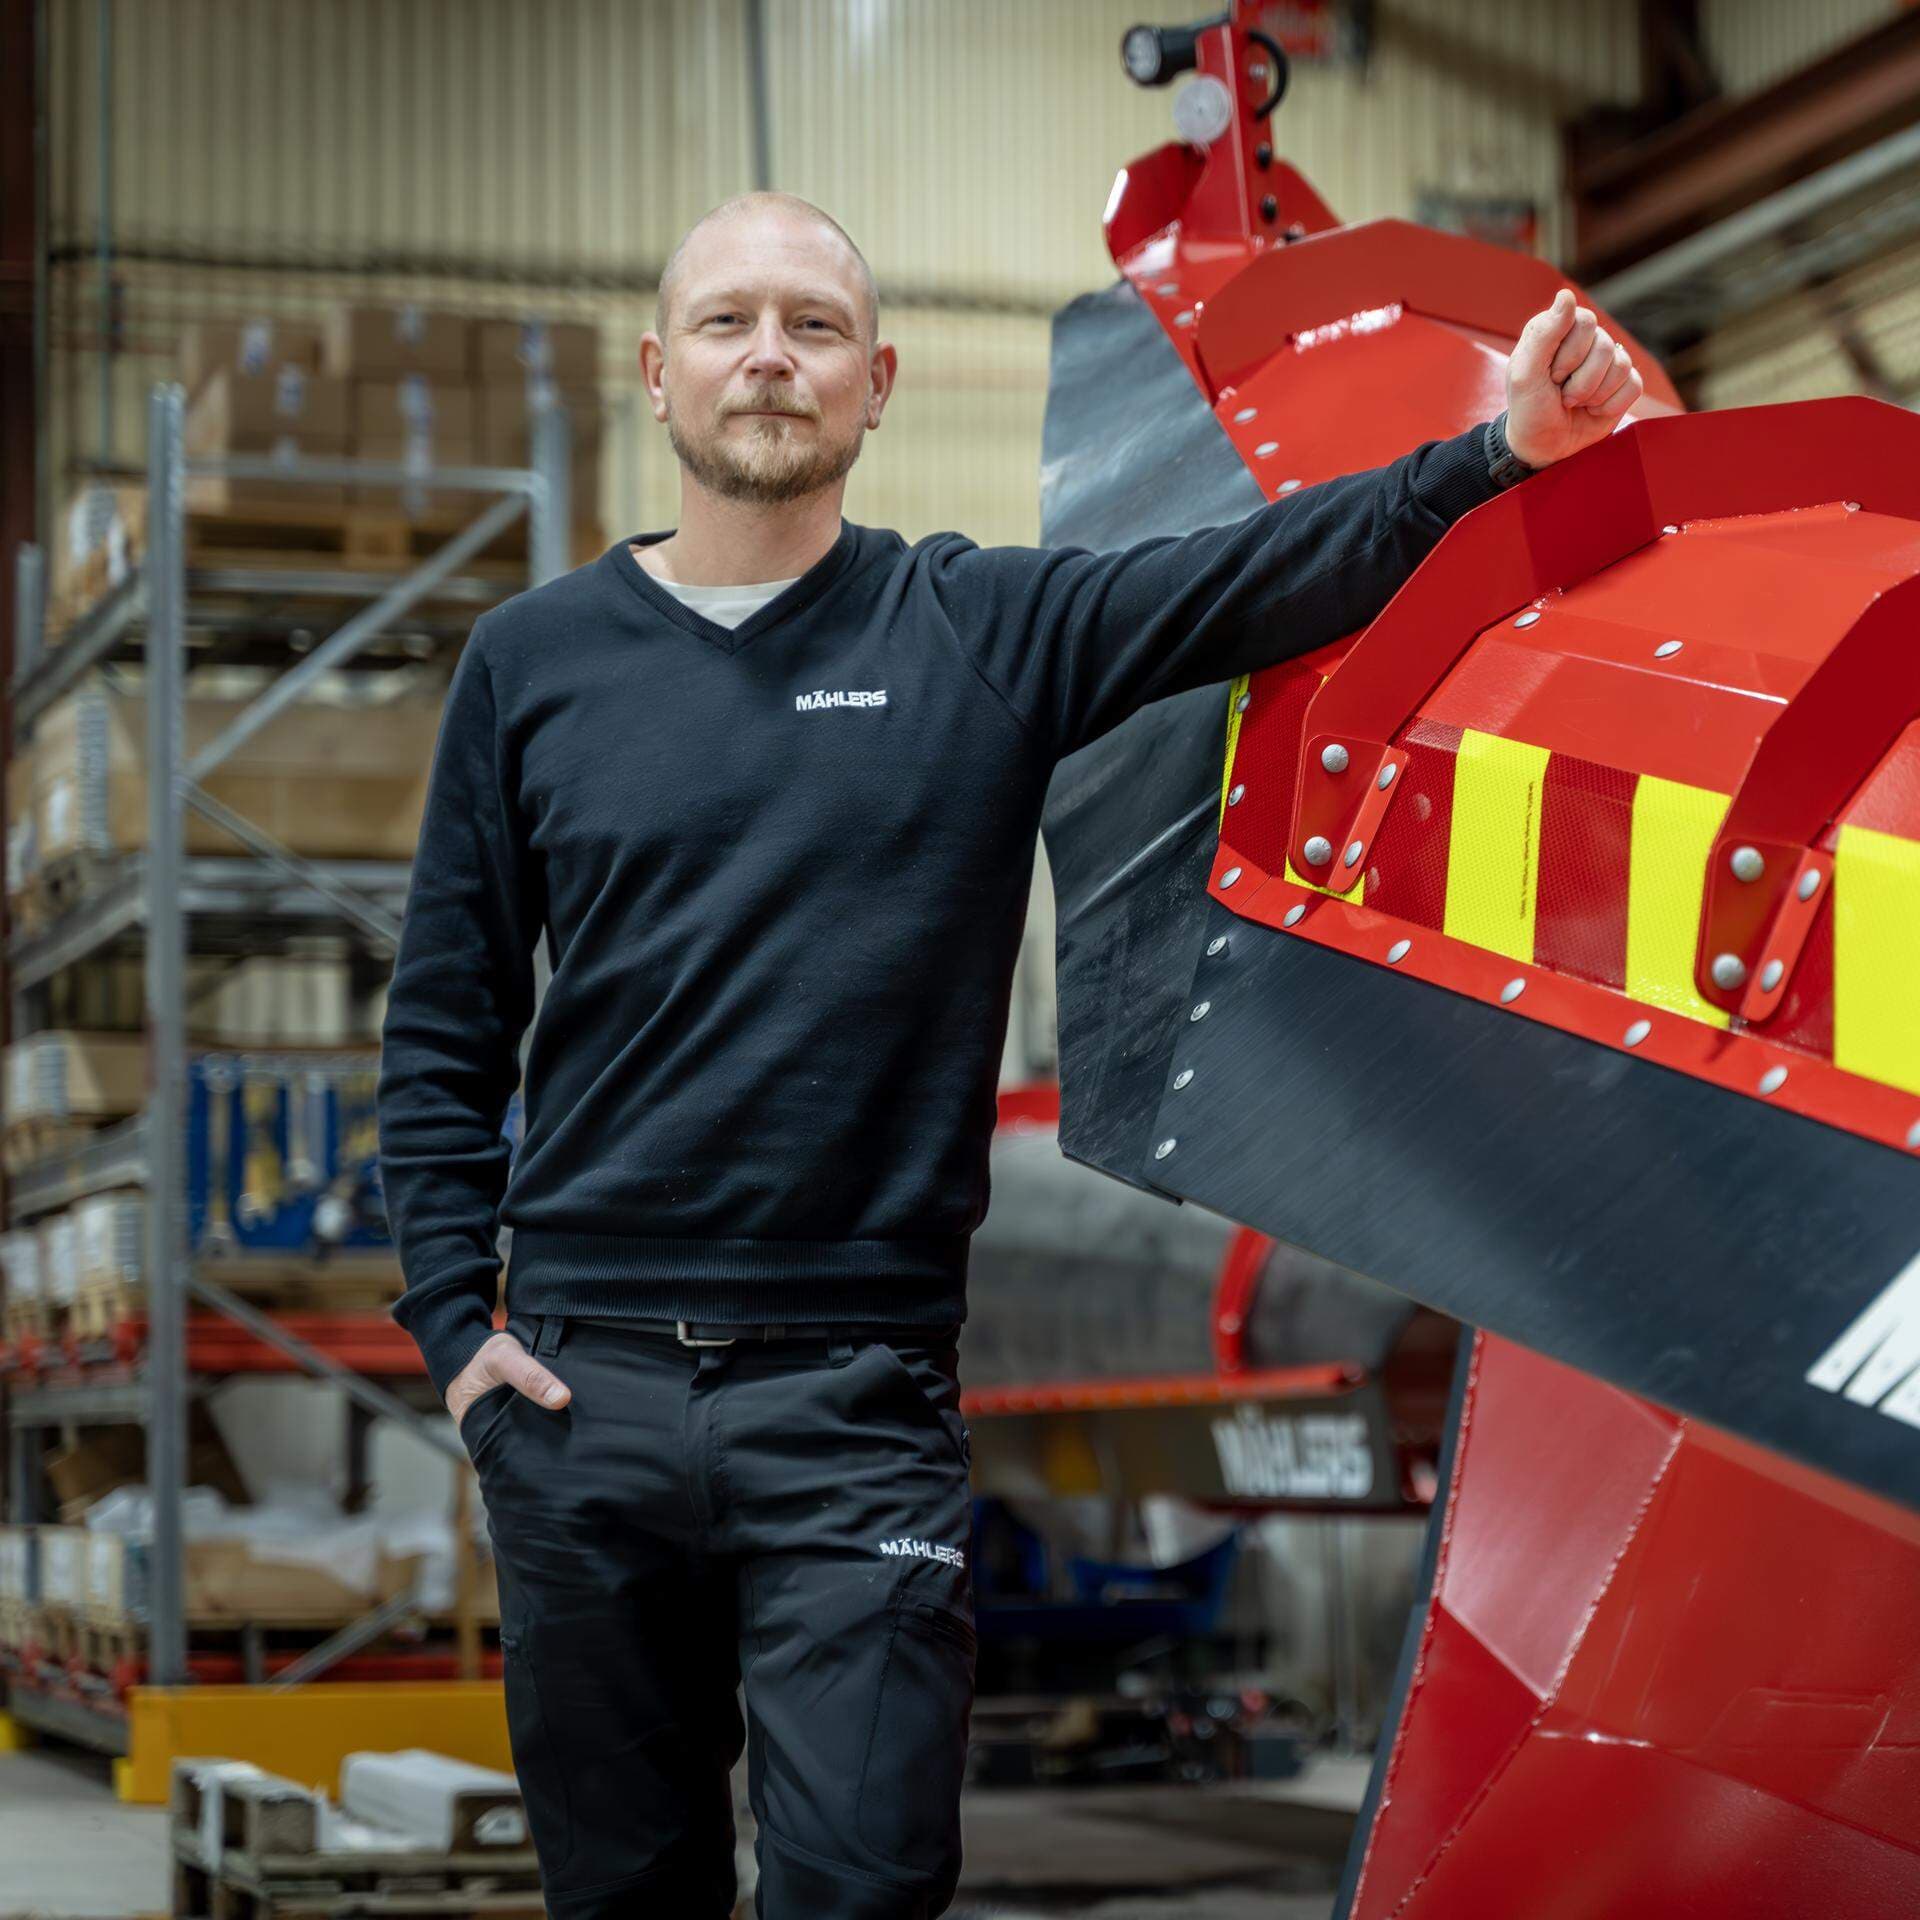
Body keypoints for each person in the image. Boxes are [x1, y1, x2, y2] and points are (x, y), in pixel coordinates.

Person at [375, 190, 1643, 1919]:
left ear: (877, 382)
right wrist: (459, 1332)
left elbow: (1248, 580)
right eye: (732, 324)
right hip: (580, 1395)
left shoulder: (973, 632)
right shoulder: (530, 668)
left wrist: (1493, 458)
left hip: (852, 1401)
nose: (772, 358)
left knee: (869, 1884)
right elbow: (445, 1022)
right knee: (626, 1896)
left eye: (814, 327)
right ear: (659, 373)